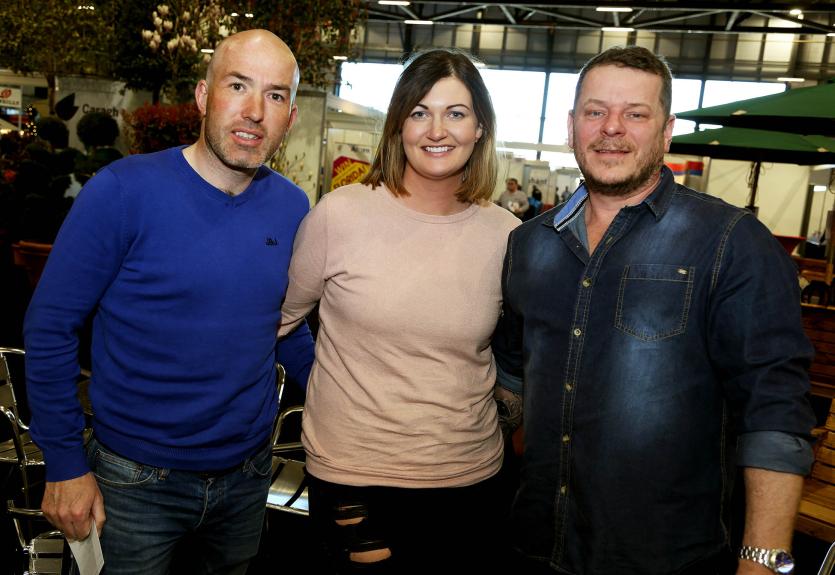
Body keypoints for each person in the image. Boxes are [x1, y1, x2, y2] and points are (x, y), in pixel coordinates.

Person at [492, 45, 816, 575]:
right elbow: (510, 381)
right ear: (572, 126)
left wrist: (763, 562)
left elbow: (775, 414)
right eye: (595, 112)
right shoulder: (529, 246)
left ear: (665, 132)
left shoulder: (732, 243)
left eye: (635, 114)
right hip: (536, 545)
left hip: (667, 557)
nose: (612, 128)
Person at [24, 29, 314, 574]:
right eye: (238, 86)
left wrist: (346, 390)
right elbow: (50, 327)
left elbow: (282, 322)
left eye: (275, 95)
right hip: (134, 482)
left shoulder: (293, 207)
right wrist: (63, 463)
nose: (254, 111)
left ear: (290, 117)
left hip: (247, 479)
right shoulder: (122, 192)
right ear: (204, 97)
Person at [278, 48, 520, 573]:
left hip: (473, 479)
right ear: (398, 125)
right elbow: (278, 321)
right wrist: (323, 382)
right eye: (419, 112)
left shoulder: (507, 236)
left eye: (456, 113)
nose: (437, 130)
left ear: (480, 127)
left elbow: (513, 350)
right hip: (356, 479)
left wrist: (509, 410)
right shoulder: (339, 216)